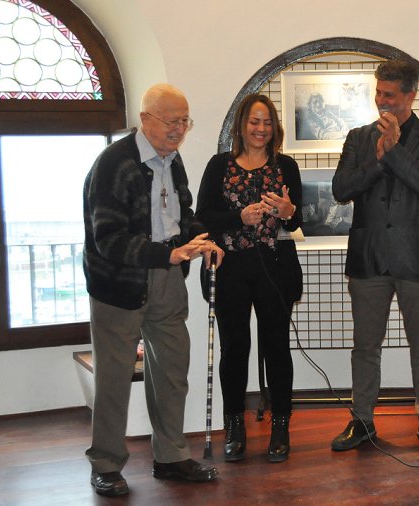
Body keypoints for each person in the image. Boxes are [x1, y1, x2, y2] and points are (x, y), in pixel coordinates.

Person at [83, 83, 224, 497]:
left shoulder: (172, 161)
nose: (179, 129)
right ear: (145, 120)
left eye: (185, 121)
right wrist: (171, 254)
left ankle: (171, 456)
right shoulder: (113, 164)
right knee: (113, 379)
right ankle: (106, 464)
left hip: (167, 281)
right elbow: (107, 239)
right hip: (119, 286)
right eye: (171, 121)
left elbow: (184, 215)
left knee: (172, 371)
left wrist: (205, 240)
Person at [329, 59, 419, 452]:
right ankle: (362, 420)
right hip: (368, 259)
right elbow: (341, 188)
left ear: (409, 96)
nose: (381, 101)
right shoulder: (357, 137)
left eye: (389, 95)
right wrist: (379, 156)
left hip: (416, 259)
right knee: (365, 345)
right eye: (378, 93)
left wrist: (395, 149)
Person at [196, 94, 303, 464]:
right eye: (255, 122)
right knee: (235, 349)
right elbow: (203, 216)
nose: (261, 129)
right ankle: (234, 426)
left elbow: (297, 218)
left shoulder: (285, 165)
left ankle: (281, 426)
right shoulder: (218, 165)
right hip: (230, 269)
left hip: (274, 267)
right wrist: (238, 219)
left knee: (277, 347)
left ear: (275, 128)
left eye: (267, 123)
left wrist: (288, 211)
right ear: (242, 125)